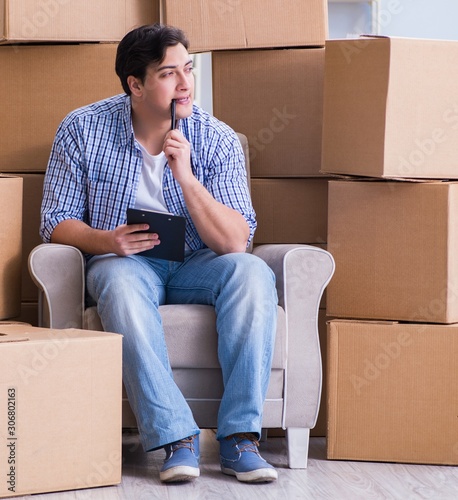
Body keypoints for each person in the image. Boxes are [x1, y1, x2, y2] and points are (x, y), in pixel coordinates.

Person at [40, 23, 278, 484]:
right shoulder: (81, 128)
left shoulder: (217, 138)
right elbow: (55, 221)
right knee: (117, 282)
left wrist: (186, 176)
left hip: (198, 262)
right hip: (127, 261)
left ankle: (239, 439)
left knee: (251, 273)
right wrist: (108, 241)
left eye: (188, 69)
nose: (186, 83)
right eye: (170, 74)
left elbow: (234, 242)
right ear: (135, 83)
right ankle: (175, 438)